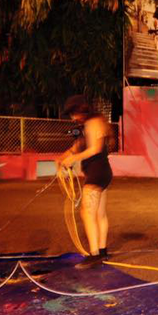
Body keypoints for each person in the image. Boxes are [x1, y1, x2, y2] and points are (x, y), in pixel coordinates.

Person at [57, 95, 113, 270]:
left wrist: (74, 159)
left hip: (97, 172)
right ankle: (102, 251)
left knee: (87, 213)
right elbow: (76, 148)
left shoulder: (94, 122)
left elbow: (95, 149)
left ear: (80, 110)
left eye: (73, 114)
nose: (72, 118)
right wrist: (63, 158)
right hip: (100, 172)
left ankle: (94, 255)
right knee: (99, 214)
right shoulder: (85, 127)